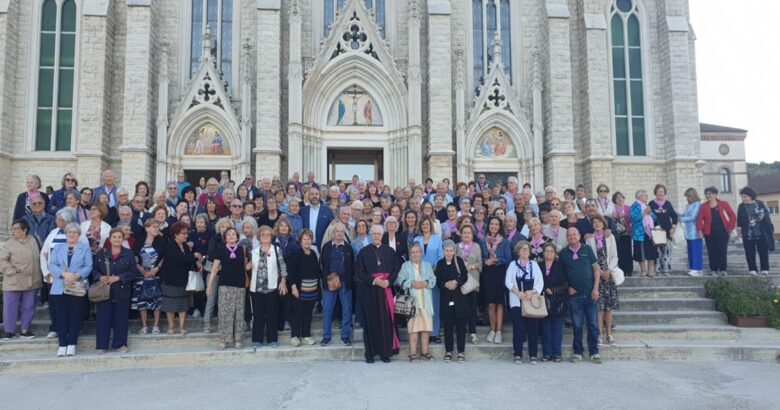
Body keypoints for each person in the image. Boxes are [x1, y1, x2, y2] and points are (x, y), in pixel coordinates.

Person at [355, 225, 401, 363]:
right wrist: (374, 280)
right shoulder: (363, 252)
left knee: (385, 322)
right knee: (371, 322)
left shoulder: (390, 251)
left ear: (382, 235)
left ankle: (385, 353)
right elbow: (359, 272)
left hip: (386, 290)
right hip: (370, 291)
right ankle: (370, 353)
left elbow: (395, 269)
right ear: (371, 235)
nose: (376, 236)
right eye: (374, 234)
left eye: (378, 234)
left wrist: (388, 282)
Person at [48, 222, 93, 357]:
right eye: (69, 232)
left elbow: (88, 266)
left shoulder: (84, 248)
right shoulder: (58, 248)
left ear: (79, 235)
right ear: (65, 234)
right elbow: (52, 264)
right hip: (59, 287)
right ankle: (62, 345)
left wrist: (76, 275)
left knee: (75, 316)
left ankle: (72, 344)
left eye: (75, 232)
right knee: (61, 317)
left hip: (77, 286)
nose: (72, 234)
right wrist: (64, 274)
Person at [560, 228, 602, 363]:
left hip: (591, 294)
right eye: (569, 235)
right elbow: (561, 275)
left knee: (593, 325)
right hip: (575, 296)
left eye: (574, 234)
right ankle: (577, 352)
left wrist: (596, 288)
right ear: (567, 237)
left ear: (579, 235)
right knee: (577, 325)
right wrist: (568, 287)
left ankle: (594, 352)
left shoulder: (587, 249)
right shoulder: (564, 254)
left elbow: (596, 269)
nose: (572, 236)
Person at [93, 228, 135, 353]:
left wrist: (119, 277)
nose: (117, 239)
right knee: (103, 318)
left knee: (121, 318)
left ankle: (120, 344)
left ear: (123, 239)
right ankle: (101, 345)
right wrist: (100, 277)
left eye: (119, 237)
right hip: (105, 290)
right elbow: (94, 270)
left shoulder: (128, 253)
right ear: (110, 239)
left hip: (122, 290)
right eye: (114, 237)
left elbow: (133, 272)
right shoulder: (101, 254)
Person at [0, 219, 43, 339]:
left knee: (29, 306)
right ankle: (9, 331)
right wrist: (12, 271)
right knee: (10, 307)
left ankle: (25, 330)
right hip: (13, 280)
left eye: (16, 229)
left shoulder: (35, 240)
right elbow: (1, 260)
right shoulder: (8, 244)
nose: (13, 231)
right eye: (12, 229)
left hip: (32, 280)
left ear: (24, 230)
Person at [206, 227, 249, 350]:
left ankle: (238, 339)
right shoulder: (221, 249)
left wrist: (248, 267)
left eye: (233, 234)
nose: (231, 236)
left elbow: (244, 266)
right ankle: (224, 339)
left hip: (239, 285)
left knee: (238, 312)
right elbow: (214, 269)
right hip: (225, 285)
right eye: (228, 235)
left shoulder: (242, 249)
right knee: (225, 313)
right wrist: (209, 285)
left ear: (237, 237)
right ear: (225, 238)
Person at [249, 226, 289, 349]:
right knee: (258, 315)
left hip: (272, 287)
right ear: (259, 237)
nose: (265, 236)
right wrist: (247, 267)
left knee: (272, 314)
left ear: (271, 236)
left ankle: (272, 339)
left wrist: (283, 282)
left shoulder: (276, 250)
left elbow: (283, 268)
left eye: (268, 234)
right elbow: (248, 268)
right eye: (263, 235)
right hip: (256, 288)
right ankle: (257, 339)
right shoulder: (254, 251)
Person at [505, 241, 544, 365]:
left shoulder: (534, 265)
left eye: (526, 249)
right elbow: (508, 281)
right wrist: (518, 293)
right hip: (517, 300)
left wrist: (532, 292)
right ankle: (517, 354)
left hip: (531, 300)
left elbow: (540, 282)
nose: (524, 251)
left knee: (533, 327)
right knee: (518, 328)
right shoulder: (513, 265)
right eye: (522, 249)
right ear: (518, 251)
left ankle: (533, 355)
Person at [397, 243, 437, 362]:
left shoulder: (427, 265)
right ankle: (412, 353)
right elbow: (400, 280)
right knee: (413, 329)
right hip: (412, 302)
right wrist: (412, 283)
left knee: (425, 328)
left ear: (421, 253)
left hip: (426, 302)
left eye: (417, 252)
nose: (415, 254)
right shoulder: (405, 266)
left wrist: (425, 283)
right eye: (413, 252)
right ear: (410, 254)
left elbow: (433, 280)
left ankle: (425, 351)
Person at [318, 222, 355, 346]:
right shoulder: (327, 247)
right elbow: (322, 264)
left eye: (341, 232)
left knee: (347, 309)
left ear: (344, 233)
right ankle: (326, 336)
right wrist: (325, 280)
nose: (339, 234)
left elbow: (351, 265)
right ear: (333, 233)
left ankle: (345, 335)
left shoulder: (348, 248)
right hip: (330, 281)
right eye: (337, 231)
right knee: (327, 309)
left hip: (345, 282)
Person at [160, 222, 200, 335]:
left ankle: (182, 326)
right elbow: (181, 259)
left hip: (183, 279)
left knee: (183, 304)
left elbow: (188, 261)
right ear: (176, 234)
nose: (186, 236)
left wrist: (196, 261)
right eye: (183, 233)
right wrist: (195, 255)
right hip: (170, 279)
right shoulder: (170, 245)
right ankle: (171, 326)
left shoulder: (186, 246)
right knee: (170, 305)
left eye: (186, 233)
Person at [586, 216, 620, 346]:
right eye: (594, 222)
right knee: (599, 307)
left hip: (609, 275)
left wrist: (608, 271)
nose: (597, 224)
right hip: (596, 276)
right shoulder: (589, 239)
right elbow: (590, 258)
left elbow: (615, 256)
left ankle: (609, 334)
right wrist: (599, 273)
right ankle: (599, 334)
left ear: (603, 223)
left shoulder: (610, 237)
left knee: (608, 307)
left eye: (599, 221)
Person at [436, 240, 469, 363]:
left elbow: (465, 276)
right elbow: (438, 281)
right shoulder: (440, 264)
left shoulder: (459, 261)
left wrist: (456, 283)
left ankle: (461, 351)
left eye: (451, 250)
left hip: (459, 299)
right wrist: (445, 284)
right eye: (447, 251)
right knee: (448, 327)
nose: (449, 253)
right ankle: (448, 351)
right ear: (443, 251)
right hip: (446, 299)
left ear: (454, 251)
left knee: (461, 327)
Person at [132, 219, 165, 335]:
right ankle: (144, 326)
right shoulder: (140, 240)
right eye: (154, 227)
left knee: (157, 301)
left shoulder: (161, 240)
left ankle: (156, 325)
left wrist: (156, 269)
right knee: (142, 301)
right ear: (147, 228)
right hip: (141, 275)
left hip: (156, 274)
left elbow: (164, 257)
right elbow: (134, 256)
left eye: (158, 227)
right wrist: (141, 270)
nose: (157, 229)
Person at [482, 216, 511, 345]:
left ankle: (499, 331)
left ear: (499, 227)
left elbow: (508, 258)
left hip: (500, 272)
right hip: (487, 273)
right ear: (488, 226)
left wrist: (496, 260)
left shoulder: (504, 242)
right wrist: (485, 261)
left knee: (500, 303)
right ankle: (492, 330)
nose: (493, 226)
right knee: (490, 303)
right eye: (491, 224)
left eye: (496, 224)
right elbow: (480, 257)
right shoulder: (483, 241)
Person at [414, 216, 444, 344]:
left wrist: (431, 270)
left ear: (430, 226)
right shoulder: (416, 239)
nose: (425, 226)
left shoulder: (437, 239)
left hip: (433, 275)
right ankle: (424, 332)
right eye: (423, 224)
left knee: (434, 306)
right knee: (422, 305)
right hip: (419, 276)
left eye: (427, 224)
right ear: (420, 226)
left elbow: (440, 257)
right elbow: (414, 255)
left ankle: (435, 333)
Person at [288, 229, 320, 346]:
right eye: (305, 239)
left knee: (308, 314)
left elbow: (317, 272)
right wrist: (293, 287)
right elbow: (291, 273)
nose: (307, 241)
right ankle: (295, 336)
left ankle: (306, 335)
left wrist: (317, 290)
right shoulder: (296, 254)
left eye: (309, 239)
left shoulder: (313, 254)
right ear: (300, 241)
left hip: (312, 290)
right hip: (299, 290)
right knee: (297, 314)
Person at [697, 187, 736, 276]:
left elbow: (732, 215)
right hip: (709, 232)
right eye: (706, 194)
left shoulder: (723, 204)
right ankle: (713, 269)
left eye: (710, 194)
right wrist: (699, 231)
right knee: (711, 251)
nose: (708, 196)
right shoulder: (703, 206)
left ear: (715, 194)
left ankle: (723, 269)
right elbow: (699, 220)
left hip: (723, 231)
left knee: (722, 250)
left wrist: (730, 227)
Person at [539, 242, 568, 362]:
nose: (549, 253)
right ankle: (547, 354)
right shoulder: (538, 265)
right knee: (545, 328)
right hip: (543, 301)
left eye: (551, 251)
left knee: (557, 328)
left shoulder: (560, 266)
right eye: (547, 251)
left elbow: (566, 284)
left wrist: (554, 291)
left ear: (555, 253)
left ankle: (557, 354)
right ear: (543, 252)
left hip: (557, 301)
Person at [737, 186, 773, 275]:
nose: (743, 198)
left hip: (761, 232)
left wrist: (763, 217)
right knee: (749, 252)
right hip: (748, 233)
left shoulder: (760, 203)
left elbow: (767, 214)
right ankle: (752, 269)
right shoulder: (741, 206)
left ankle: (765, 269)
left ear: (751, 196)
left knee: (763, 252)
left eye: (745, 196)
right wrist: (739, 229)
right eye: (742, 196)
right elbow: (739, 220)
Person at [457, 224, 482, 345]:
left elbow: (480, 264)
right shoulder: (457, 246)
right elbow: (455, 263)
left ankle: (473, 333)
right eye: (464, 232)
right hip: (461, 282)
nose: (466, 235)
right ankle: (461, 331)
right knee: (461, 308)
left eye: (469, 233)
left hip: (473, 282)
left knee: (472, 308)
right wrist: (464, 268)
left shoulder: (477, 246)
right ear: (461, 234)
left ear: (472, 235)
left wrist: (471, 266)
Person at [649, 184, 678, 275]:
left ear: (664, 193)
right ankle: (657, 270)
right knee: (657, 253)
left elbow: (675, 216)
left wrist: (673, 227)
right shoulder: (651, 204)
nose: (660, 193)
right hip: (656, 231)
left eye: (662, 191)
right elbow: (649, 217)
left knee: (666, 252)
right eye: (658, 191)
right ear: (655, 193)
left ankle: (666, 270)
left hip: (667, 232)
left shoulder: (668, 204)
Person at [630, 190, 658, 277]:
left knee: (651, 252)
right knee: (640, 253)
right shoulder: (634, 206)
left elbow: (654, 217)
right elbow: (633, 218)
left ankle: (650, 270)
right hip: (639, 233)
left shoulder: (647, 205)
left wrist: (650, 214)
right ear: (639, 197)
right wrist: (644, 213)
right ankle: (643, 270)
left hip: (649, 233)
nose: (647, 197)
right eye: (645, 195)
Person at [680, 188, 703, 276]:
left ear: (693, 195)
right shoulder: (687, 205)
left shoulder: (697, 205)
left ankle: (697, 269)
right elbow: (684, 215)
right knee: (690, 250)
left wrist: (681, 219)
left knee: (696, 250)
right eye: (686, 197)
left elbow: (693, 217)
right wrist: (676, 215)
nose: (687, 199)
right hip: (688, 231)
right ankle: (692, 267)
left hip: (695, 231)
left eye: (688, 196)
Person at [612, 192, 633, 276]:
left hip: (627, 233)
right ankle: (622, 270)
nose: (620, 199)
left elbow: (631, 219)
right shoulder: (613, 208)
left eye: (621, 197)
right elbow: (612, 219)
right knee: (620, 252)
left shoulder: (628, 208)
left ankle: (629, 270)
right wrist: (618, 217)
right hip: (618, 233)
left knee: (628, 252)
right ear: (615, 200)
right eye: (617, 198)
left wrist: (626, 217)